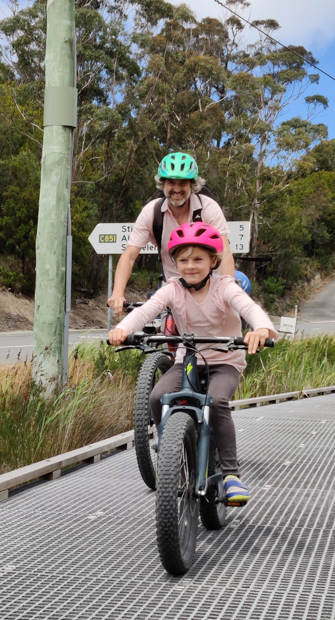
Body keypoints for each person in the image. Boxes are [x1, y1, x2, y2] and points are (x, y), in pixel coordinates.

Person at [108, 221, 278, 504]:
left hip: (225, 361)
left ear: (214, 261)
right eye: (183, 259)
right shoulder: (172, 289)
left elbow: (249, 308)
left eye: (198, 259)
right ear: (174, 262)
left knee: (217, 400)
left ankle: (231, 476)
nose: (190, 265)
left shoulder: (225, 287)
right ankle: (172, 450)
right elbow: (148, 311)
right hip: (187, 360)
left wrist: (260, 329)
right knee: (158, 397)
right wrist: (123, 329)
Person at [108, 151, 235, 316]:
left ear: (192, 185)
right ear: (163, 184)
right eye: (171, 183)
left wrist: (229, 292)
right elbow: (130, 256)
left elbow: (224, 253)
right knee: (163, 333)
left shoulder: (208, 209)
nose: (176, 189)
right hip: (173, 291)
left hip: (210, 288)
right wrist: (118, 292)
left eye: (182, 183)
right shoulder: (151, 213)